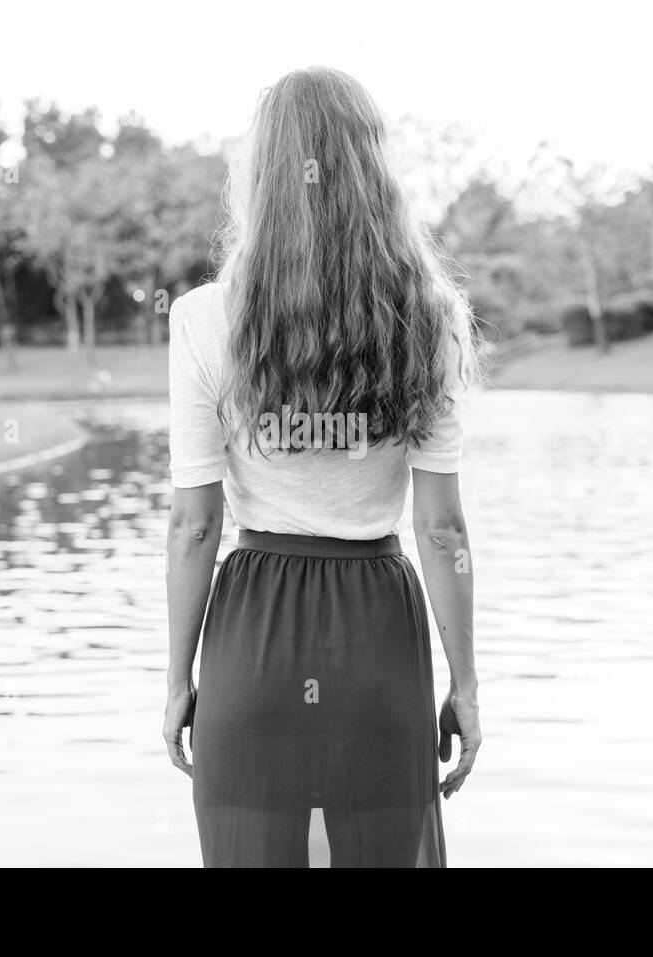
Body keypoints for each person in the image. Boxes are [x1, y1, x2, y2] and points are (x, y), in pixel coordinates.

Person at [163, 66, 481, 868]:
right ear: (373, 168)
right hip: (376, 636)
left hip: (250, 640)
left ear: (260, 174)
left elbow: (194, 525)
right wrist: (466, 684)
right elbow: (441, 531)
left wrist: (177, 679)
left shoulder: (204, 319)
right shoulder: (431, 318)